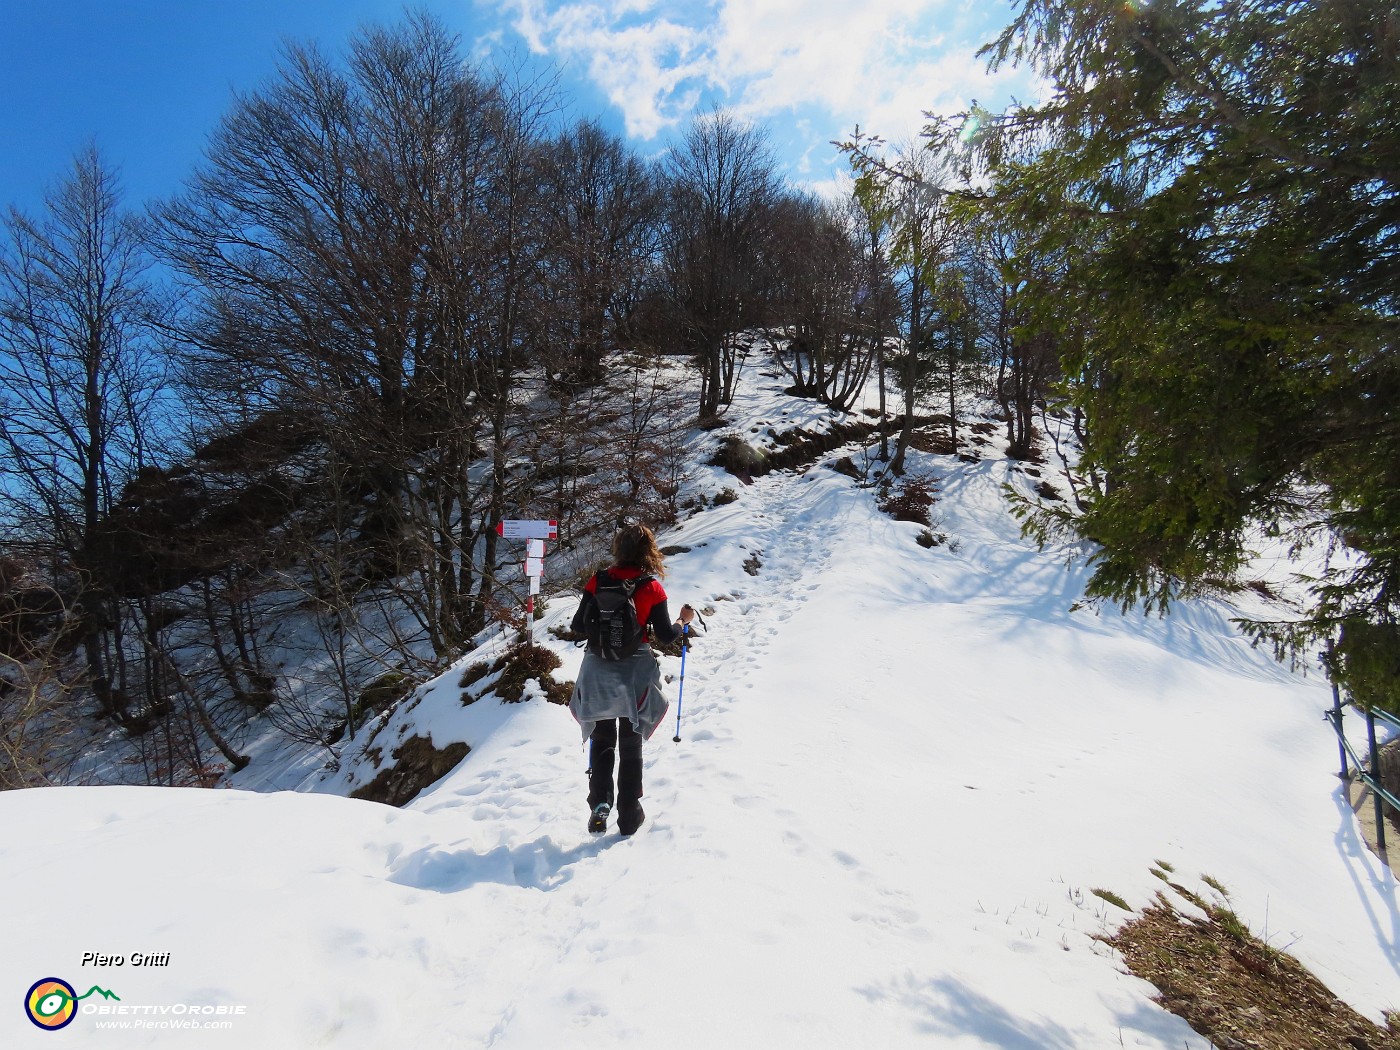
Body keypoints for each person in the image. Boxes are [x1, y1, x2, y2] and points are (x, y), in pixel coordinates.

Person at [569, 523, 694, 835]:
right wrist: (682, 621)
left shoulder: (598, 580)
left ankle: (600, 803)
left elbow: (577, 627)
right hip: (634, 673)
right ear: (648, 553)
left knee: (601, 738)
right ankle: (628, 812)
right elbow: (666, 636)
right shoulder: (651, 588)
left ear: (617, 549)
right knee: (630, 740)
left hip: (597, 670)